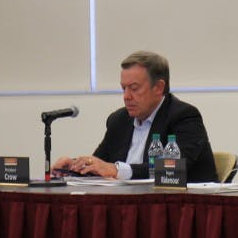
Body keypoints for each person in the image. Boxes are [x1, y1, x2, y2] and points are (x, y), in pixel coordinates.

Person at [53, 50, 217, 182]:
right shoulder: (119, 120)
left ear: (159, 87)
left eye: (134, 88)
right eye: (123, 88)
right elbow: (100, 163)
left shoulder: (183, 117)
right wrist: (74, 166)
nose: (126, 96)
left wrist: (117, 170)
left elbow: (174, 168)